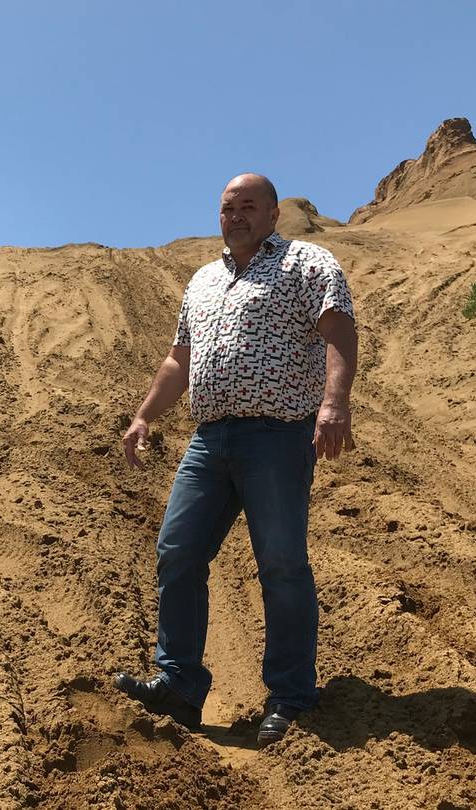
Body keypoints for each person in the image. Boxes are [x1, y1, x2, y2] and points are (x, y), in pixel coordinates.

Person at [114, 172, 358, 747]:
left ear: (274, 214)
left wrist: (334, 402)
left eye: (249, 206)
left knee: (281, 563)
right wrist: (145, 415)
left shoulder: (306, 264)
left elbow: (339, 331)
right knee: (177, 551)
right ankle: (179, 683)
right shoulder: (203, 280)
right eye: (228, 208)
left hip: (278, 436)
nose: (236, 216)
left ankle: (291, 694)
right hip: (210, 440)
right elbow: (179, 358)